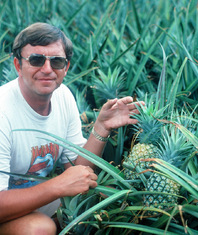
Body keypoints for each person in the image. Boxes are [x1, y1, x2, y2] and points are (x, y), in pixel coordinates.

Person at [0, 22, 141, 234]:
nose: (47, 69)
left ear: (65, 68)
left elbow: (76, 168)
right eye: (36, 60)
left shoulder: (63, 96)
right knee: (39, 229)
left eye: (56, 62)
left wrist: (101, 127)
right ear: (18, 65)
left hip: (32, 198)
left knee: (107, 197)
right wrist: (58, 185)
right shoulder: (3, 112)